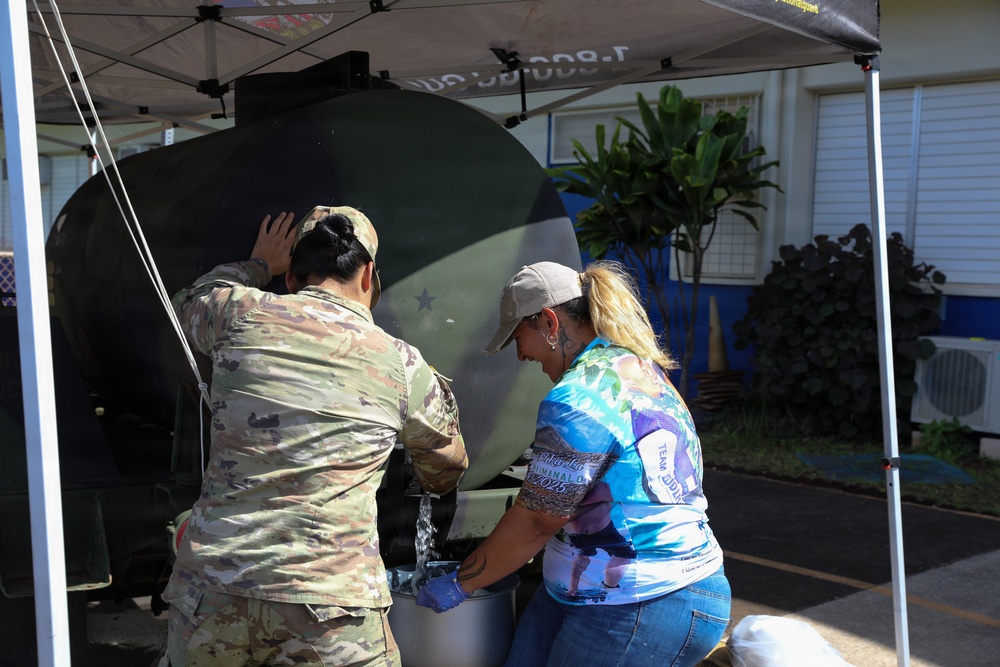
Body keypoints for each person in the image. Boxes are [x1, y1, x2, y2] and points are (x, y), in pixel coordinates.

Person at [162, 205, 468, 666]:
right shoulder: (402, 363)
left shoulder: (238, 312)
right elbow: (447, 466)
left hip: (211, 592)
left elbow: (190, 300)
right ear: (368, 276)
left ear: (290, 279)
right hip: (330, 607)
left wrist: (259, 263)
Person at [415, 260, 729, 667]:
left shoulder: (578, 397)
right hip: (599, 591)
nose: (520, 355)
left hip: (643, 600)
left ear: (548, 321)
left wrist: (460, 583)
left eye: (517, 336)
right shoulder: (639, 367)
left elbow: (537, 521)